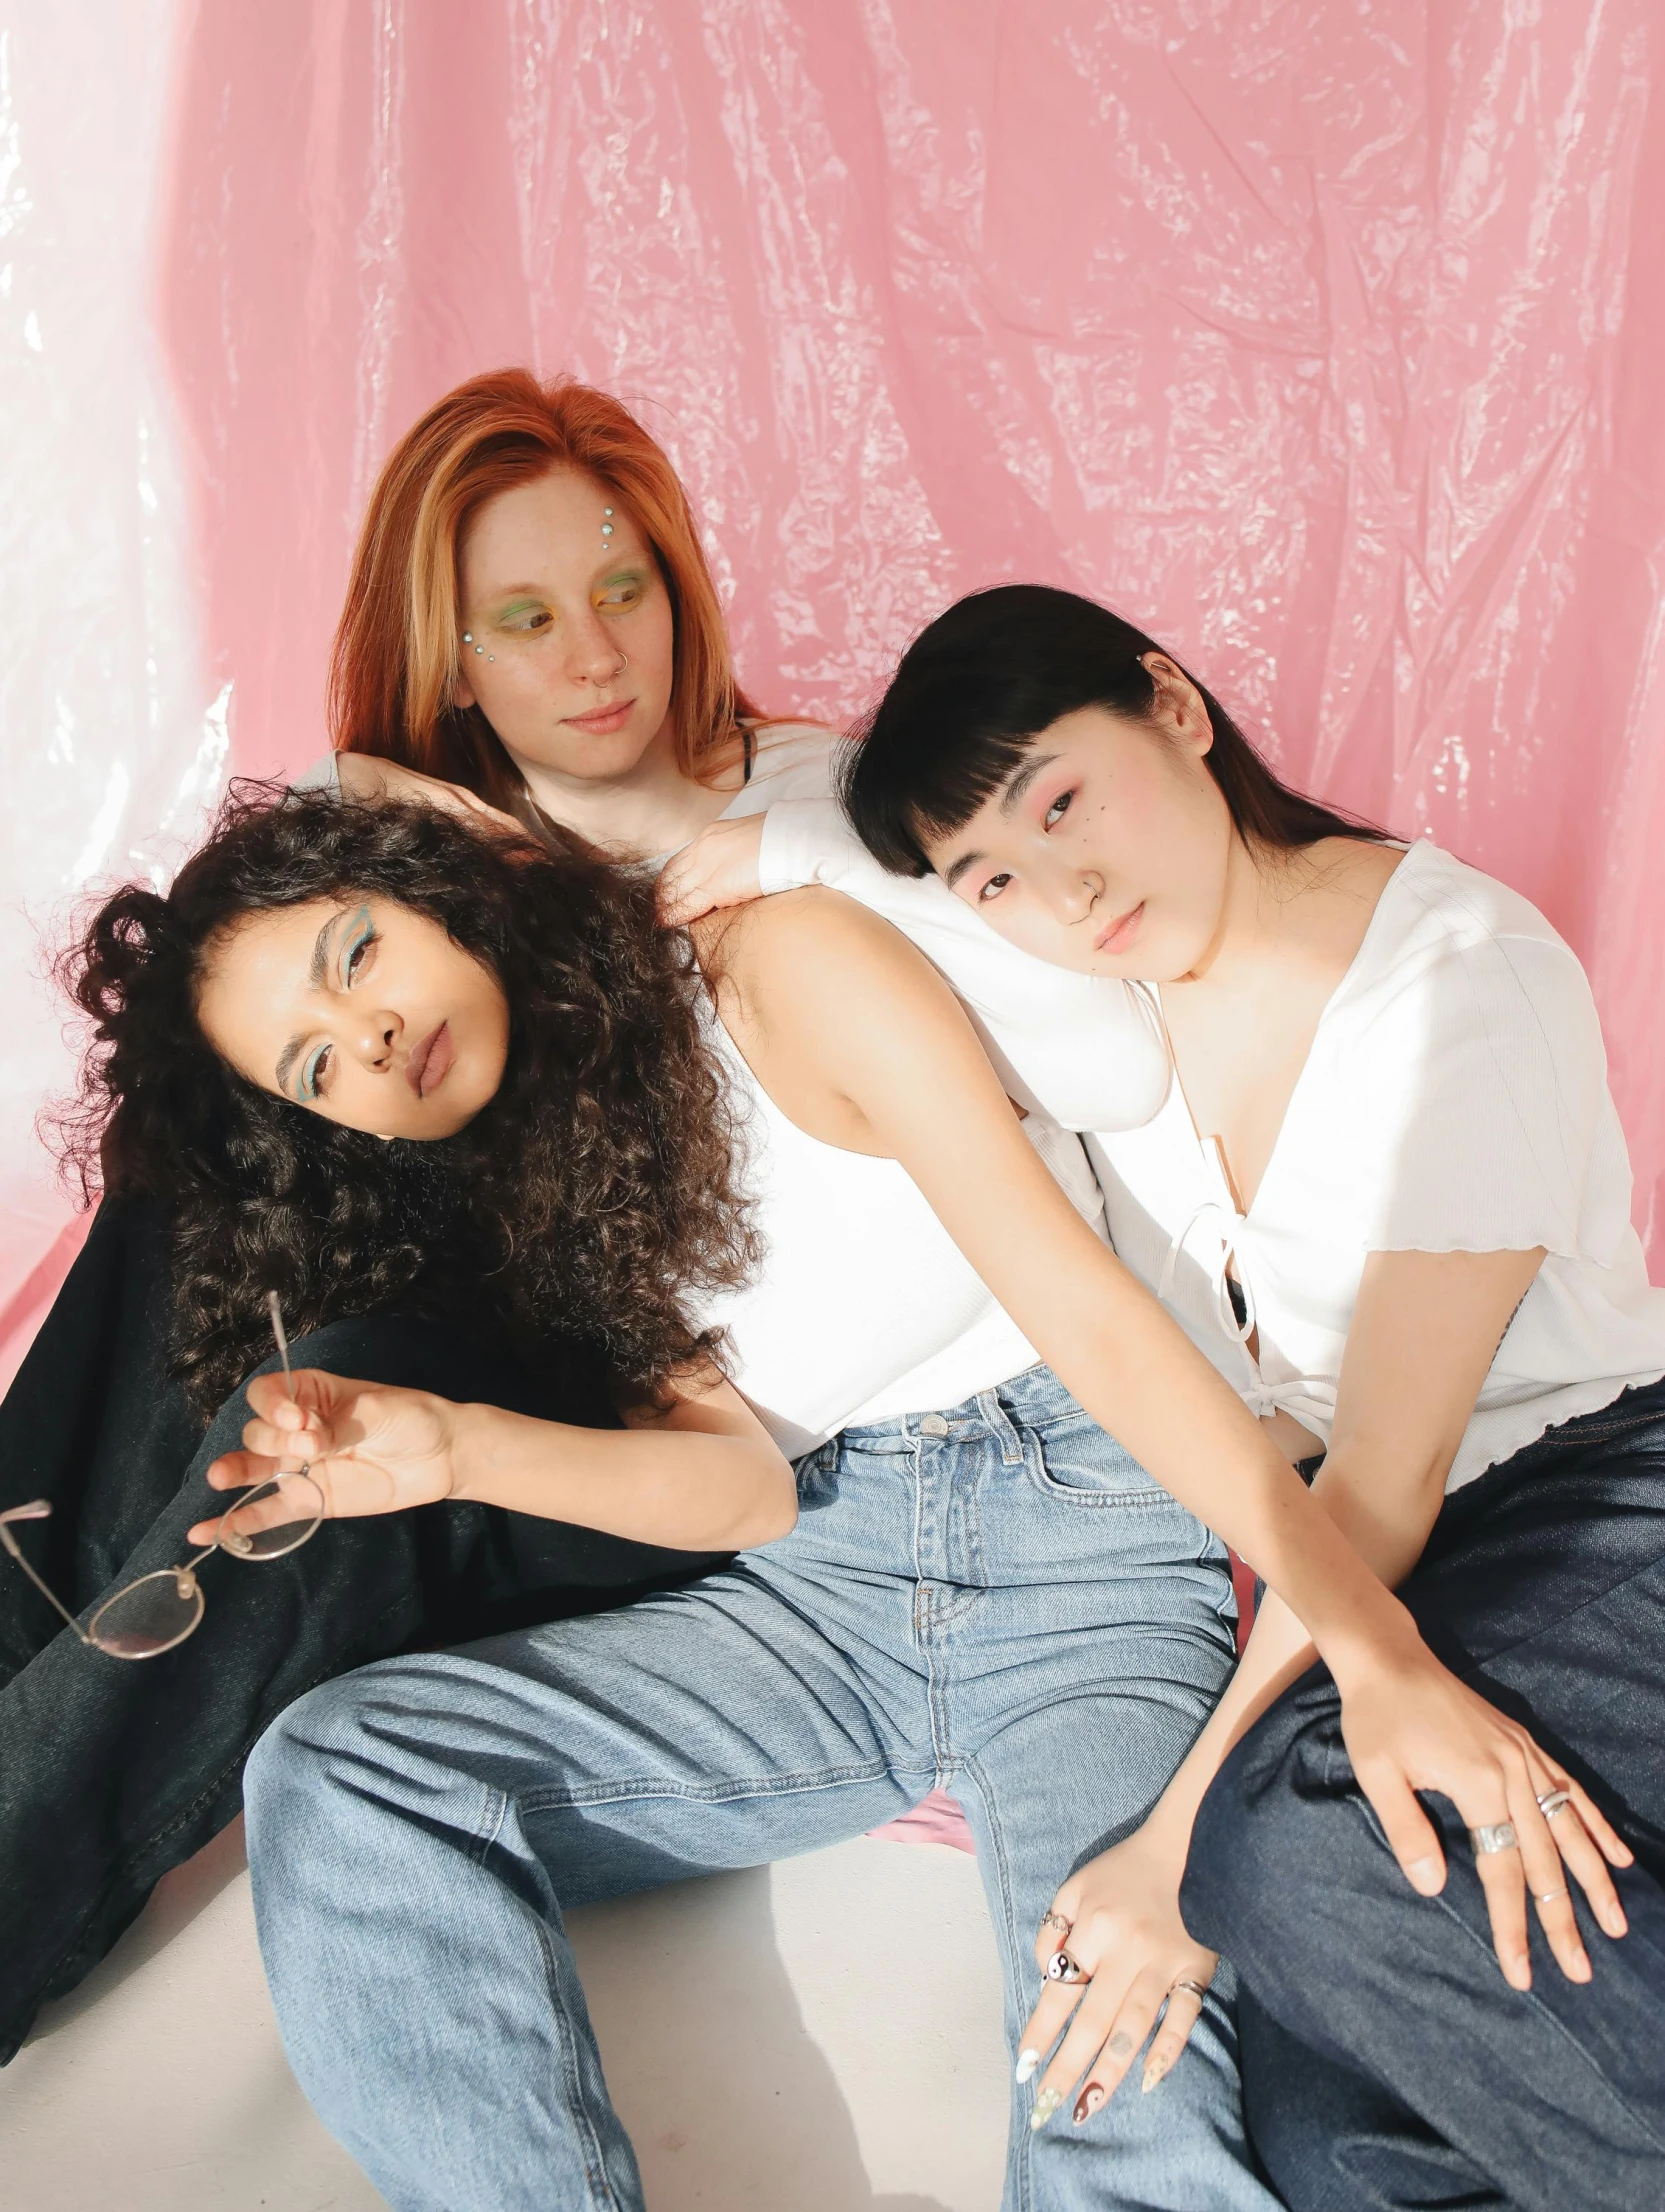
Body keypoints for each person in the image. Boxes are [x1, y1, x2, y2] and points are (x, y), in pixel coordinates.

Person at [155, 787, 1618, 2212]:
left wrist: (1366, 1643)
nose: (373, 1033)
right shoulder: (535, 1180)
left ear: (437, 893)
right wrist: (462, 1451)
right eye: (317, 1068)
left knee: (1116, 2072)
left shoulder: (774, 962)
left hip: (1087, 1551)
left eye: (357, 956)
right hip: (827, 1588)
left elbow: (1101, 1327)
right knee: (341, 1772)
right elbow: (743, 1484)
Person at [0, 372, 1168, 2057]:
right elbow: (343, 808)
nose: (597, 659)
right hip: (600, 1383)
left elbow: (1080, 1068)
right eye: (524, 622)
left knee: (318, 1394)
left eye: (624, 590)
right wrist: (495, 843)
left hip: (677, 1450)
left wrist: (723, 858)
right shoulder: (447, 863)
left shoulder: (825, 816)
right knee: (200, 1127)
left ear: (680, 583)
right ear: (454, 664)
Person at [823, 581, 1665, 2212]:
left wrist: (1165, 1848)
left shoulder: (1456, 981)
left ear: (1177, 707)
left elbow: (1387, 1477)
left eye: (1062, 797)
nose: (1060, 890)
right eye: (993, 874)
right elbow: (818, 855)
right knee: (1329, 2141)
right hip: (1410, 1572)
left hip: (1597, 1519)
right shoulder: (1102, 1040)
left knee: (1271, 1850)